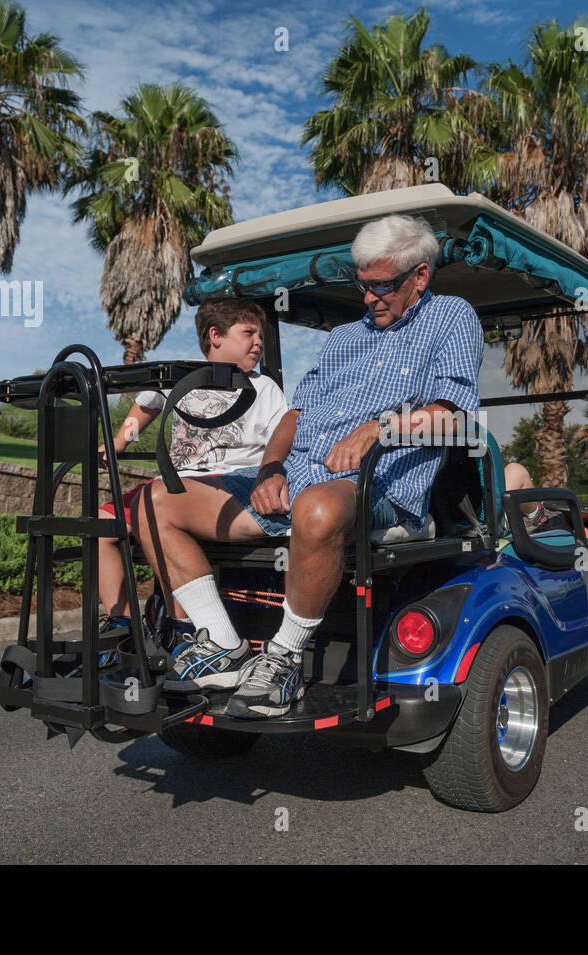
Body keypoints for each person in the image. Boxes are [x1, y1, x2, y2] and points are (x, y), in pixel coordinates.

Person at [133, 214, 484, 716]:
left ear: (420, 276)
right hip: (295, 481)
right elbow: (296, 414)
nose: (369, 298)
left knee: (317, 508)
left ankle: (285, 659)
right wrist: (269, 470)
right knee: (155, 502)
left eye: (382, 286)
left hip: (380, 489)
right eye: (362, 286)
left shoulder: (452, 318)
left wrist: (376, 430)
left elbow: (453, 416)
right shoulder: (343, 337)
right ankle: (221, 645)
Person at [95, 298, 287, 655]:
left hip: (229, 483)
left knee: (156, 507)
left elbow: (282, 440)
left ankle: (181, 626)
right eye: (248, 333)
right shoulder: (181, 374)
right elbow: (147, 405)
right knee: (101, 525)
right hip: (178, 482)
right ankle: (122, 624)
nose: (258, 343)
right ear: (215, 336)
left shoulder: (265, 389)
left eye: (260, 335)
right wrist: (120, 440)